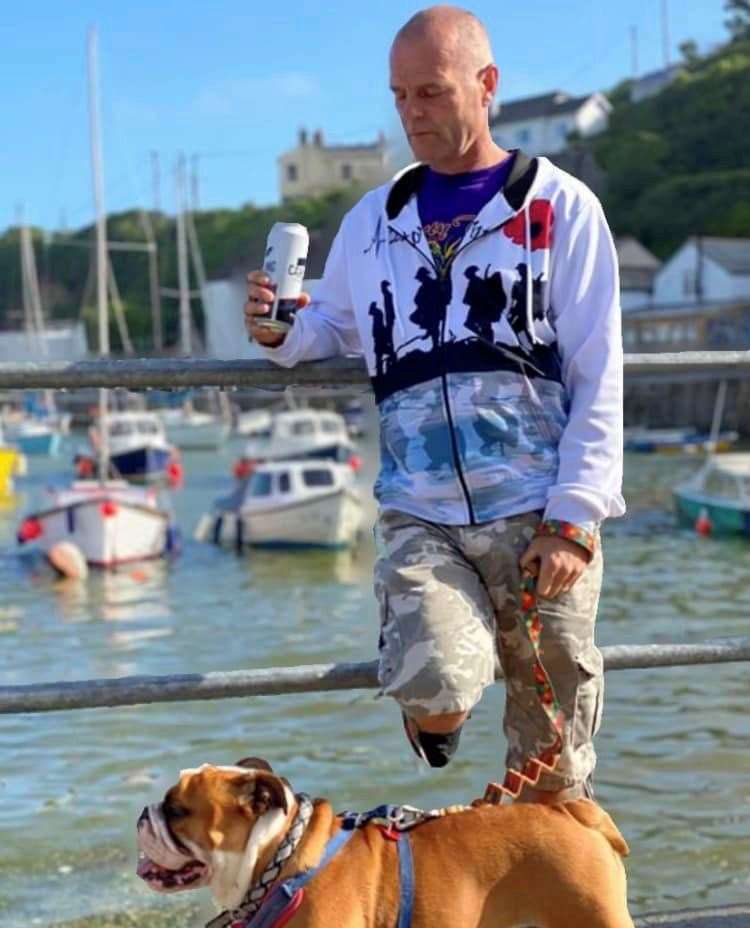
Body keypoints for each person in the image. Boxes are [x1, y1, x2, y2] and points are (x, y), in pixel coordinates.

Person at [244, 5, 624, 804]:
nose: (413, 113)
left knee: (553, 777)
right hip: (420, 512)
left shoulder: (559, 208)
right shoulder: (373, 221)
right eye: (400, 97)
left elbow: (598, 373)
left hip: (539, 514)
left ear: (486, 86)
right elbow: (330, 328)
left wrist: (575, 518)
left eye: (432, 93)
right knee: (442, 685)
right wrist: (280, 331)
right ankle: (435, 714)